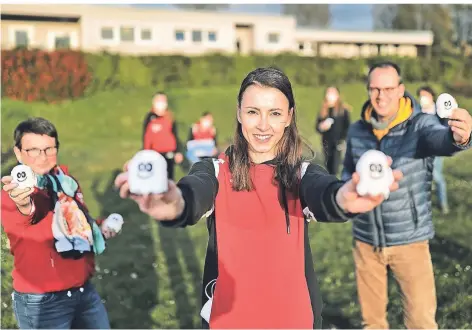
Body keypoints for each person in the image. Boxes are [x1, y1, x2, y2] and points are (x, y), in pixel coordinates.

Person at [115, 67, 402, 329]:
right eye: (253, 112)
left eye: (275, 113)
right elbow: (192, 195)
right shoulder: (215, 171)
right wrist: (171, 202)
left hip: (294, 321)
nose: (263, 125)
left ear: (289, 116)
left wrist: (345, 199)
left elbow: (325, 193)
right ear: (239, 113)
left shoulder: (302, 175)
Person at [341, 61, 472, 329]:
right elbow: (347, 173)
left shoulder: (420, 125)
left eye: (388, 88)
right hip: (366, 242)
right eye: (375, 89)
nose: (381, 96)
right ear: (368, 90)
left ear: (401, 89)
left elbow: (441, 139)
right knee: (372, 323)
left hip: (410, 242)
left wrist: (459, 138)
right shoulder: (357, 130)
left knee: (421, 322)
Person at [1, 117, 119, 329]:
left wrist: (98, 227)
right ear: (18, 153)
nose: (42, 157)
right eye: (33, 150)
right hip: (43, 302)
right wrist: (24, 202)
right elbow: (31, 212)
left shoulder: (65, 181)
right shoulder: (14, 192)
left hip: (84, 291)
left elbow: (75, 220)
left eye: (49, 149)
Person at [417, 85, 450, 214]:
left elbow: (446, 128)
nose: (422, 99)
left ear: (432, 96)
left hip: (436, 149)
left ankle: (443, 204)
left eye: (425, 95)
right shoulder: (418, 112)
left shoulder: (440, 111)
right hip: (421, 149)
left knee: (437, 176)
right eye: (420, 96)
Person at [142, 91, 184, 180]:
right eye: (159, 100)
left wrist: (178, 152)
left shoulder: (170, 117)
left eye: (163, 101)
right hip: (155, 154)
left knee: (169, 180)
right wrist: (146, 154)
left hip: (169, 153)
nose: (161, 103)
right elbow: (146, 138)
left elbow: (175, 135)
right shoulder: (150, 118)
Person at [315, 86, 351, 175]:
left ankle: (335, 184)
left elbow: (347, 127)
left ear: (338, 95)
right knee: (328, 165)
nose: (330, 96)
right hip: (326, 143)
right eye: (329, 93)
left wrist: (343, 140)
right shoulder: (324, 110)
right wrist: (321, 127)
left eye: (333, 93)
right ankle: (330, 183)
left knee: (335, 167)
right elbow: (317, 127)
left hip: (338, 143)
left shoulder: (343, 110)